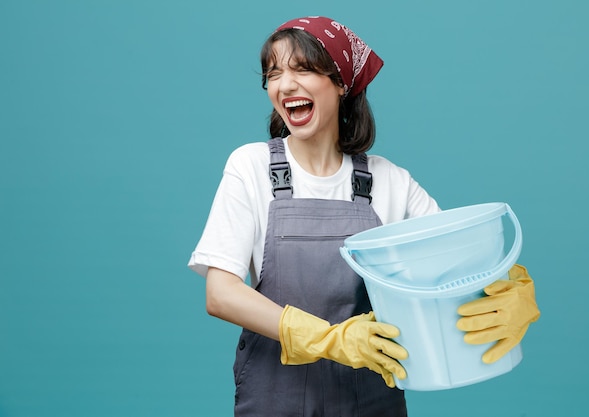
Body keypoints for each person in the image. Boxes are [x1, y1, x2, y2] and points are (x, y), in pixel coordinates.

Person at [188, 16, 540, 416]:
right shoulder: (250, 167)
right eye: (273, 73)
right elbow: (221, 294)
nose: (284, 85)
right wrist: (331, 339)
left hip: (372, 401)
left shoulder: (389, 180)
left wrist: (515, 289)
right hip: (275, 400)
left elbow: (457, 269)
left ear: (341, 84)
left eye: (302, 69)